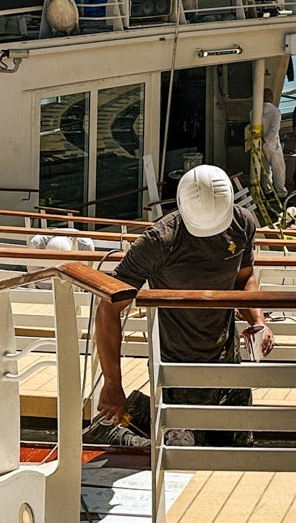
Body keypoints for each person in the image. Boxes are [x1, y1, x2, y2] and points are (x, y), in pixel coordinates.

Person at [90, 165, 272, 448]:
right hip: (175, 368)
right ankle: (126, 424)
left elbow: (244, 278)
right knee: (183, 453)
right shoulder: (159, 241)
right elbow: (109, 306)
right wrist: (113, 383)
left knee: (237, 448)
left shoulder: (242, 223)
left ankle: (139, 412)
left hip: (227, 362)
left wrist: (258, 321)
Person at [260, 87, 286, 195]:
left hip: (259, 143)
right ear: (271, 97)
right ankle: (281, 192)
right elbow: (274, 130)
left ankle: (267, 190)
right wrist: (266, 140)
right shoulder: (275, 112)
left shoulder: (254, 112)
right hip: (272, 144)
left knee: (265, 168)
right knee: (278, 169)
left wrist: (262, 141)